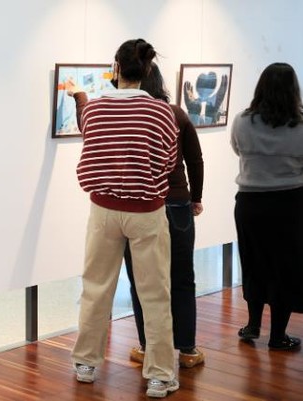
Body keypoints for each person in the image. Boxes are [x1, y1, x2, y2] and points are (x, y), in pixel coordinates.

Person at [71, 38, 179, 398]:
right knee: (155, 294)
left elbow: (89, 141)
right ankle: (159, 376)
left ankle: (86, 363)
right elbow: (169, 161)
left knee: (96, 288)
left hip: (103, 210)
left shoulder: (96, 109)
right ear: (147, 70)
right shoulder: (161, 112)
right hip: (147, 212)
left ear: (116, 68)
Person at [123, 63, 206, 369]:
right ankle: (187, 350)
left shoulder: (126, 116)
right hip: (177, 204)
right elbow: (195, 160)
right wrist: (196, 198)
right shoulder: (176, 114)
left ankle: (148, 347)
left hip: (139, 206)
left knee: (142, 279)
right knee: (182, 277)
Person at [231, 62, 303, 350]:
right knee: (284, 268)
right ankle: (277, 336)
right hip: (289, 204)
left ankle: (252, 325)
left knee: (253, 262)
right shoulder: (300, 125)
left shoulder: (241, 121)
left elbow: (237, 149)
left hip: (249, 204)